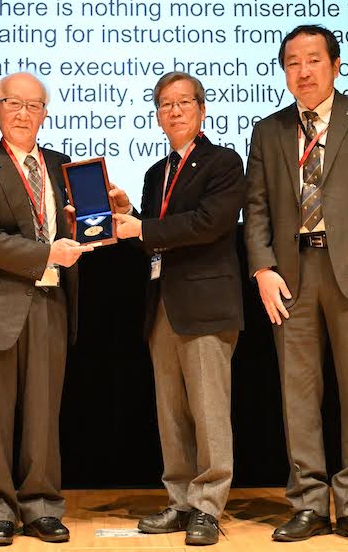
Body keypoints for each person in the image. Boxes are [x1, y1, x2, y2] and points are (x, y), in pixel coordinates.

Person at [244, 25, 348, 546]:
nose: (304, 71)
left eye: (313, 60)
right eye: (293, 62)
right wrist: (262, 268)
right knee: (298, 396)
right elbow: (258, 208)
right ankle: (310, 504)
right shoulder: (268, 131)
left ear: (335, 65)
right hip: (292, 277)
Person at [0, 72, 92, 546]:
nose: (23, 114)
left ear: (45, 115)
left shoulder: (61, 166)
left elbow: (82, 222)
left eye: (34, 106)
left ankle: (42, 507)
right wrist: (48, 252)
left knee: (42, 416)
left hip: (50, 302)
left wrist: (104, 211)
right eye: (14, 104)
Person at [112, 71, 245, 546]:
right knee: (171, 412)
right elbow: (151, 242)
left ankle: (209, 506)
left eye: (183, 102)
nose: (174, 111)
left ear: (202, 110)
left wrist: (143, 228)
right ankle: (180, 501)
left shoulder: (224, 162)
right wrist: (130, 216)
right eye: (165, 104)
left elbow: (210, 224)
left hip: (206, 303)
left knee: (209, 410)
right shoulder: (156, 173)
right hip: (162, 304)